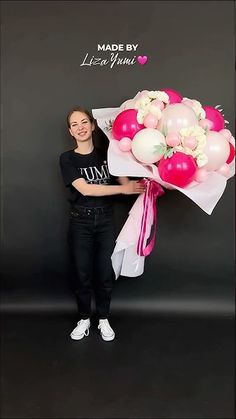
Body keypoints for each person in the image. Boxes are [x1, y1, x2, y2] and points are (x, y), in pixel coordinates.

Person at [59, 106, 145, 342]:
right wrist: (123, 188)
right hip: (80, 222)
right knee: (82, 272)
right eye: (75, 124)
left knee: (105, 272)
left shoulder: (108, 153)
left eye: (84, 122)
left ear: (93, 125)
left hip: (105, 220)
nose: (81, 127)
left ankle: (104, 318)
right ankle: (85, 318)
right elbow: (85, 188)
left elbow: (125, 181)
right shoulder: (67, 158)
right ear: (70, 131)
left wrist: (143, 179)